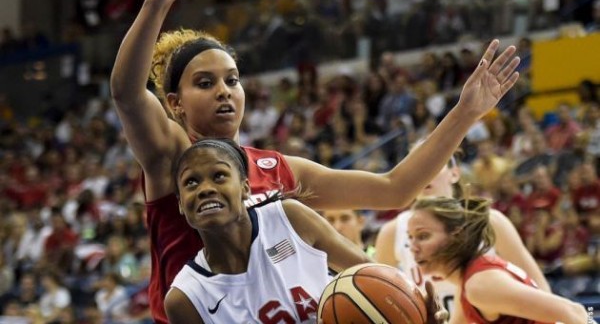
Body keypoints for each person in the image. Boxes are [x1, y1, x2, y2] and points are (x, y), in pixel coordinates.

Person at [110, 0, 520, 323]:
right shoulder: (173, 156)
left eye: (232, 80)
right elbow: (127, 92)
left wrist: (466, 112)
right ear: (174, 103)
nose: (224, 92)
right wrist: (158, 2)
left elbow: (395, 188)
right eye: (205, 83)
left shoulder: (278, 169)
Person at [164, 139, 437, 323]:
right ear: (179, 204)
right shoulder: (186, 297)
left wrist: (414, 310)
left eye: (220, 175)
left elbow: (372, 274)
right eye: (191, 182)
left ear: (246, 188)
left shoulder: (288, 218)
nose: (206, 188)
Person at [374, 150, 550, 315]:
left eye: (433, 164)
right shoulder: (392, 230)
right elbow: (379, 301)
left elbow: (540, 287)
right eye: (416, 167)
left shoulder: (488, 221)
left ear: (455, 173)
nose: (424, 173)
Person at [407, 196, 590, 324]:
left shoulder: (480, 285)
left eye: (423, 236)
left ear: (455, 236)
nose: (413, 247)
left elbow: (575, 312)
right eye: (410, 238)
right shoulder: (470, 283)